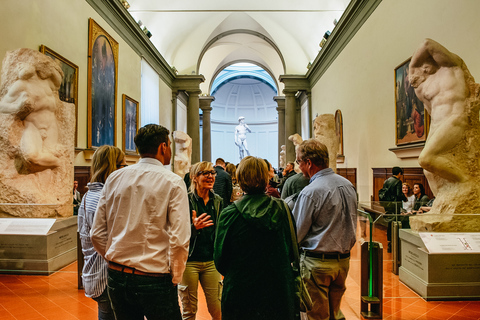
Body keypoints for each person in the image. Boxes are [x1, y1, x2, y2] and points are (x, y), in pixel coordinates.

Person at [91, 124, 191, 320]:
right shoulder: (173, 182)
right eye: (169, 145)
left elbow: (97, 233)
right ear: (163, 147)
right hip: (154, 277)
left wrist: (115, 259)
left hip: (117, 276)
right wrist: (176, 275)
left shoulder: (115, 177)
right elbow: (179, 239)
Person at [214, 156, 299, 320]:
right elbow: (292, 249)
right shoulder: (282, 208)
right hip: (277, 288)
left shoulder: (229, 214)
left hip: (240, 289)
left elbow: (220, 259)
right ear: (266, 177)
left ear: (240, 178)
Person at [292, 139, 357, 320]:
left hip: (317, 264)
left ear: (309, 163)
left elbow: (297, 232)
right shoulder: (348, 184)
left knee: (317, 316)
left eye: (299, 162)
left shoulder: (311, 191)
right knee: (334, 313)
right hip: (342, 262)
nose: (299, 167)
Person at [409, 38, 472, 183]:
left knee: (426, 158)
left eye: (425, 64)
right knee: (428, 171)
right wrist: (414, 75)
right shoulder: (427, 86)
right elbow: (428, 107)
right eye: (422, 68)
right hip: (437, 124)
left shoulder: (453, 67)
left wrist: (412, 66)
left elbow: (426, 43)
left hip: (455, 118)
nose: (424, 68)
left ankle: (465, 182)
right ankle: (440, 201)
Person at [78, 145, 126, 320]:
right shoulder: (103, 197)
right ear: (112, 168)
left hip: (95, 269)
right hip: (105, 273)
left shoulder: (89, 195)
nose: (125, 171)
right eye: (123, 166)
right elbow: (100, 237)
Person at [0, 48, 64, 172]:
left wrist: (50, 67)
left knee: (50, 156)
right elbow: (2, 105)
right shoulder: (20, 85)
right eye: (20, 65)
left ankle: (55, 167)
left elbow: (58, 80)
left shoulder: (48, 85)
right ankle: (57, 163)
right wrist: (17, 107)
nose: (22, 67)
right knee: (32, 157)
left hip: (51, 127)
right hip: (33, 126)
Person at [178, 161, 223, 320]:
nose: (210, 176)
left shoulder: (218, 201)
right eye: (205, 173)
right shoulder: (185, 200)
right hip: (189, 261)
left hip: (211, 261)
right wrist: (193, 228)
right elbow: (174, 230)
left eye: (212, 173)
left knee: (217, 310)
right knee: (189, 311)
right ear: (194, 177)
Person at [379, 166, 406, 252]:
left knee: (390, 224)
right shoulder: (398, 182)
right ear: (399, 173)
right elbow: (398, 195)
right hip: (395, 205)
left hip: (387, 204)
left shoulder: (387, 180)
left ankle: (389, 242)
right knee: (396, 222)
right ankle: (396, 242)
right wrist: (404, 198)